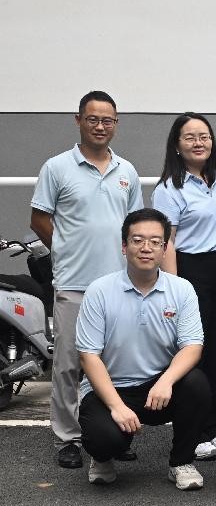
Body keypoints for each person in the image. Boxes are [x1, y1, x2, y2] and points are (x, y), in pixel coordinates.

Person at [30, 91, 144, 469]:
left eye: (107, 120)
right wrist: (63, 250)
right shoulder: (57, 167)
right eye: (92, 119)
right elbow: (39, 219)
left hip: (119, 285)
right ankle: (68, 437)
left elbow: (135, 226)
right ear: (78, 120)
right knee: (68, 363)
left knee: (116, 365)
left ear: (116, 124)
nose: (100, 126)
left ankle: (115, 431)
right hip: (74, 283)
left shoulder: (127, 171)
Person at [76, 208, 208, 489]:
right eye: (137, 240)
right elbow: (88, 356)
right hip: (110, 388)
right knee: (104, 439)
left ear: (165, 249)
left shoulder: (182, 289)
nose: (146, 248)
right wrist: (116, 406)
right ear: (124, 246)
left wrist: (166, 381)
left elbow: (192, 346)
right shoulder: (99, 291)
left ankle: (181, 462)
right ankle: (102, 457)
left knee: (196, 384)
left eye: (155, 241)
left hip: (157, 388)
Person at [152, 112, 216, 461]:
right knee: (195, 351)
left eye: (204, 136)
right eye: (190, 137)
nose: (198, 143)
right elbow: (167, 242)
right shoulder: (168, 189)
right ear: (177, 145)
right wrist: (175, 287)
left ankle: (214, 429)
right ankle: (194, 432)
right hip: (191, 271)